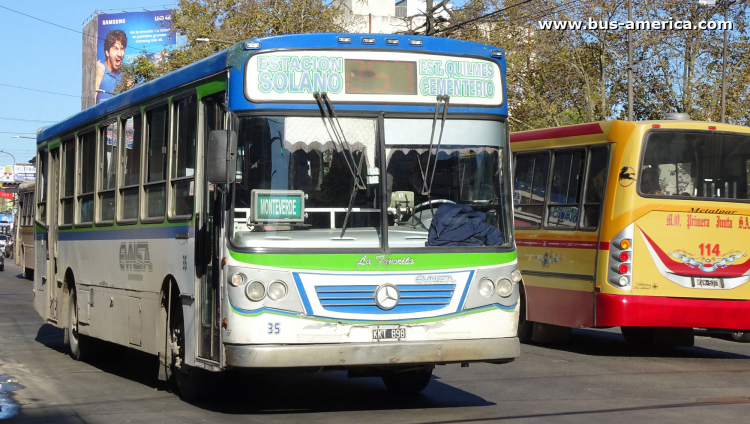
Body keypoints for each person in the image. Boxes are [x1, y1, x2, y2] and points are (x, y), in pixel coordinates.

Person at [96, 30, 127, 104]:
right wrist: (98, 78)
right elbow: (88, 104)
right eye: (115, 49)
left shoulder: (126, 74)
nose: (119, 53)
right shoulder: (98, 71)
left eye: (122, 49)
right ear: (107, 52)